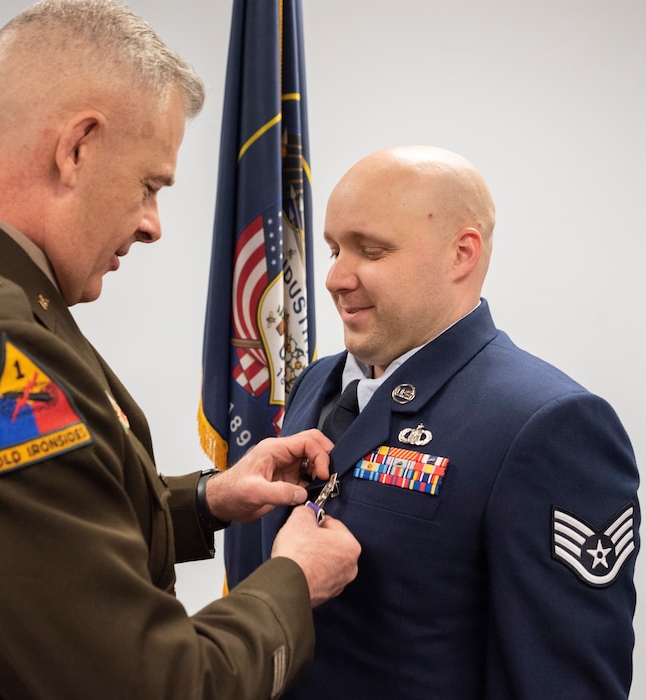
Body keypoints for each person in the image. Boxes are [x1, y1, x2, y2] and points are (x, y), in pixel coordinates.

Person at [0, 2, 361, 698]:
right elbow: (157, 687)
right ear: (76, 147)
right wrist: (290, 579)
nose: (152, 226)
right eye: (149, 185)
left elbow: (2, 542)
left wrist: (205, 500)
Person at [254, 145, 640, 698]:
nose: (336, 277)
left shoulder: (546, 422)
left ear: (461, 254)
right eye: (335, 248)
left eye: (372, 250)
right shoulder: (318, 382)